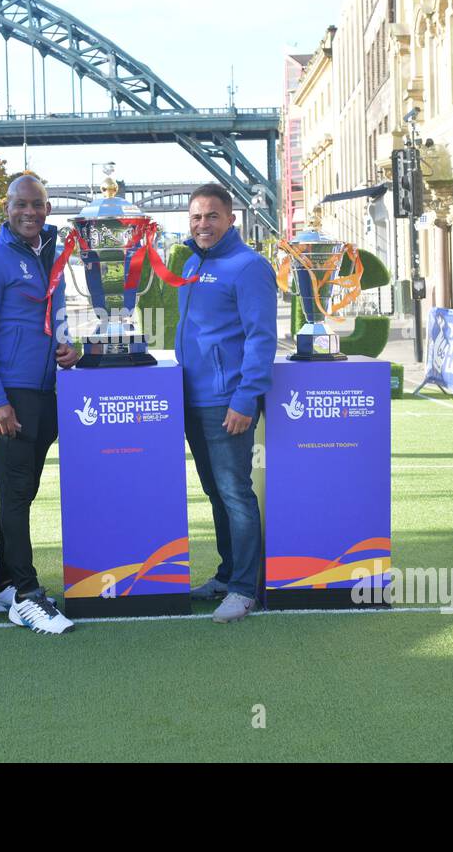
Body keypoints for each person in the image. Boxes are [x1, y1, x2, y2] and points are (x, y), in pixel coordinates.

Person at [0, 174, 81, 635]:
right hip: (6, 399)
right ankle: (28, 595)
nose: (29, 212)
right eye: (21, 204)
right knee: (15, 492)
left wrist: (72, 351)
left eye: (37, 205)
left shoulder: (48, 257)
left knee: (22, 493)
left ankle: (4, 583)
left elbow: (54, 321)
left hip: (43, 396)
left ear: (48, 209)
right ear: (7, 206)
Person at [177, 184, 277, 624]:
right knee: (215, 492)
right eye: (197, 217)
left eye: (212, 216)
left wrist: (245, 397)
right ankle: (226, 573)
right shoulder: (190, 263)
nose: (203, 224)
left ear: (230, 219)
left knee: (236, 494)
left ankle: (244, 588)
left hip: (227, 401)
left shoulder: (249, 267)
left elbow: (261, 338)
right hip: (192, 399)